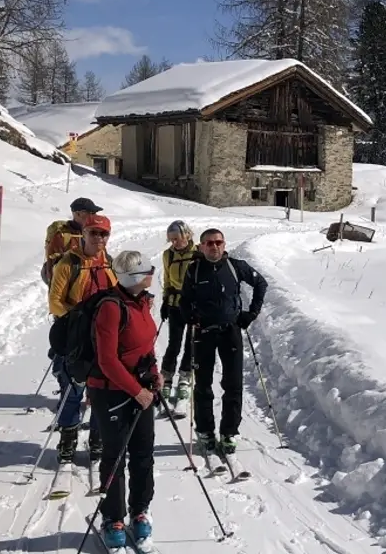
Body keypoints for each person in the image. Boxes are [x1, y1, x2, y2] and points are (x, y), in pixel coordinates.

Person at [87, 250, 162, 550]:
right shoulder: (111, 307)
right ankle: (113, 518)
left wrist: (154, 373)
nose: (152, 273)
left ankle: (140, 510)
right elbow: (107, 361)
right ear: (134, 277)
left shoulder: (141, 301)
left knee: (143, 453)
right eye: (147, 271)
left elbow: (146, 345)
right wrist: (137, 391)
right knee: (115, 456)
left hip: (140, 389)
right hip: (111, 392)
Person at [179, 228, 267, 454]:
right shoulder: (194, 270)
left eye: (218, 242)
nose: (214, 246)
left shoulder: (236, 266)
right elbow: (184, 299)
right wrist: (189, 315)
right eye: (209, 243)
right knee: (203, 385)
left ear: (224, 244)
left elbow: (261, 284)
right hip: (204, 332)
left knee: (233, 384)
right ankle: (205, 431)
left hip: (231, 331)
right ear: (201, 246)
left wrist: (252, 313)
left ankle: (229, 431)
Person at [48, 213, 117, 464]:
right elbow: (55, 302)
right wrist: (78, 319)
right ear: (84, 234)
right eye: (94, 233)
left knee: (101, 392)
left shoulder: (109, 262)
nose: (99, 238)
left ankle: (98, 439)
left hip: (103, 338)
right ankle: (67, 440)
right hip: (75, 337)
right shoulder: (69, 263)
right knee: (72, 390)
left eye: (103, 234)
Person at [158, 220, 197, 403]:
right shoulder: (168, 255)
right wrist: (165, 300)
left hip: (193, 304)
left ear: (186, 235)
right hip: (175, 303)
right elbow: (167, 279)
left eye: (177, 238)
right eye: (171, 239)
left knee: (191, 342)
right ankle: (166, 376)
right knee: (174, 343)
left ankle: (184, 376)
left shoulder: (197, 253)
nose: (174, 242)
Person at [42, 197, 103, 285]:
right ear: (78, 214)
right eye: (91, 213)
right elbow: (54, 267)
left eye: (95, 213)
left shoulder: (92, 232)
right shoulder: (62, 236)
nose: (94, 216)